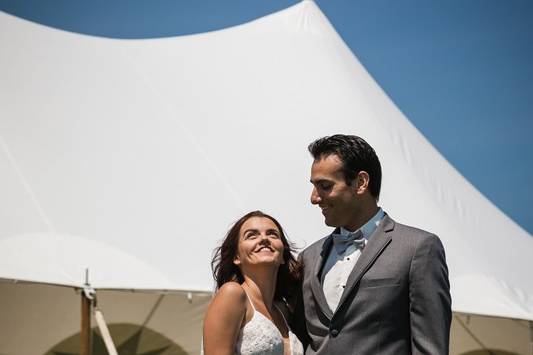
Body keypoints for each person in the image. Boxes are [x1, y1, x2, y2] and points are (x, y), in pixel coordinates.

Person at [291, 134, 452, 354]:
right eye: (314, 186)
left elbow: (430, 347)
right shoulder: (308, 258)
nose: (314, 198)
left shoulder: (418, 248)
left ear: (361, 183)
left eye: (325, 186)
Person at [203, 210, 304, 355]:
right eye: (252, 235)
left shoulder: (283, 310)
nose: (264, 239)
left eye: (272, 234)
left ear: (283, 256)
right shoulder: (232, 294)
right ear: (236, 257)